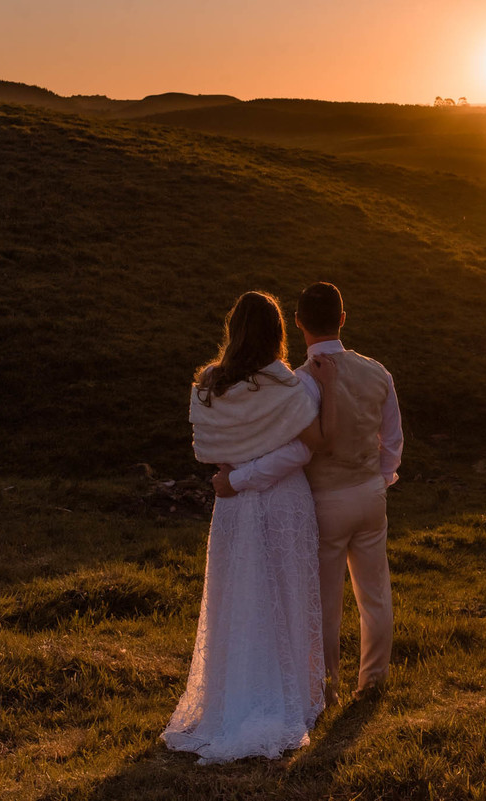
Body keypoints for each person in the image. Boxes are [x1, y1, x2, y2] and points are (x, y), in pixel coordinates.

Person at [162, 290, 336, 764]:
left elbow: (217, 453)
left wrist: (237, 476)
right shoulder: (284, 387)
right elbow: (303, 450)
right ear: (278, 333)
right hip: (282, 502)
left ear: (233, 331)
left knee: (239, 597)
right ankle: (287, 698)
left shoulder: (211, 385)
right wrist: (247, 475)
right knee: (285, 594)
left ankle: (234, 697)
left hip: (235, 505)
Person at [215, 282, 403, 704]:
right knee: (375, 595)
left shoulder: (298, 384)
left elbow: (294, 449)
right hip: (370, 493)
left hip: (324, 501)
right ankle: (373, 681)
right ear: (342, 318)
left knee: (323, 602)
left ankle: (327, 687)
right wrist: (382, 478)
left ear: (298, 322)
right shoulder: (378, 371)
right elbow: (393, 441)